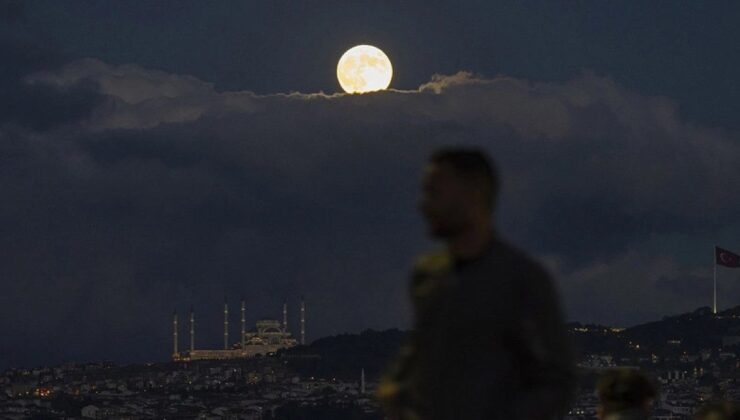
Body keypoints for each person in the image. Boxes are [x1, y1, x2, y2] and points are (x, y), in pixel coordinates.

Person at [378, 148, 575, 420]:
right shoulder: (427, 275)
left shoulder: (522, 279)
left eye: (434, 193)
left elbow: (556, 381)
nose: (424, 205)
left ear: (473, 196)